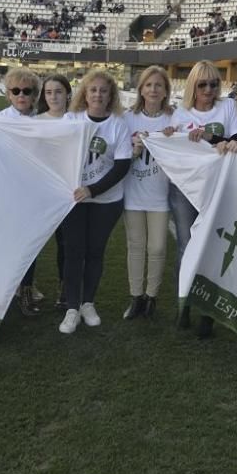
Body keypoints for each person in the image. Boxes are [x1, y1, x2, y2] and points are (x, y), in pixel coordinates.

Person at [169, 60, 237, 337]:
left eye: (214, 83)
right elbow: (172, 149)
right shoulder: (180, 114)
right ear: (193, 85)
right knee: (185, 246)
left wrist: (211, 136)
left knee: (213, 247)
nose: (209, 89)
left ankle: (207, 312)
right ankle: (184, 305)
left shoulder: (227, 107)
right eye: (202, 84)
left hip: (219, 187)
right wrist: (168, 136)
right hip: (185, 188)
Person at [59, 71, 132, 334]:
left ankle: (88, 303)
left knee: (94, 251)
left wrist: (93, 189)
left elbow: (122, 165)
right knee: (73, 251)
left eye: (103, 90)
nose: (98, 95)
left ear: (111, 94)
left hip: (107, 200)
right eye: (93, 90)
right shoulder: (72, 119)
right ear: (85, 94)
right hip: (74, 199)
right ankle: (71, 307)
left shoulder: (118, 124)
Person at [122, 66, 174, 320]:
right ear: (141, 89)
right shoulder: (127, 118)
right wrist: (133, 149)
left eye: (158, 86)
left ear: (166, 91)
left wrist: (171, 140)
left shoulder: (173, 119)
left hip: (159, 196)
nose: (153, 90)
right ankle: (135, 297)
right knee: (135, 246)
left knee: (157, 247)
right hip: (132, 193)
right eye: (148, 85)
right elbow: (118, 156)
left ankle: (151, 296)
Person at [0, 68, 43, 313]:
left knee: (30, 246)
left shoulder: (44, 122)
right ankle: (3, 289)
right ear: (9, 94)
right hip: (6, 194)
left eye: (27, 91)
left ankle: (25, 289)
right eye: (16, 91)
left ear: (35, 95)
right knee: (6, 244)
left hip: (32, 195)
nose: (21, 95)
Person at [37, 74, 73, 307]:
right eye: (49, 92)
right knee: (33, 243)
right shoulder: (35, 121)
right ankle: (25, 288)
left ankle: (64, 286)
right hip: (39, 193)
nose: (53, 97)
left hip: (68, 194)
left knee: (65, 244)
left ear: (68, 94)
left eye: (58, 91)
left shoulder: (77, 120)